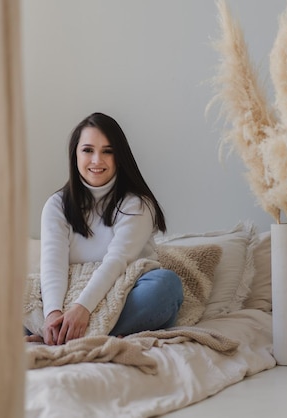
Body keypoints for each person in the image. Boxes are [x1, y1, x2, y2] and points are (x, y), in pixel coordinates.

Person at [34, 112, 183, 346]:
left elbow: (116, 262)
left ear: (119, 157)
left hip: (122, 295)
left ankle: (63, 335)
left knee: (165, 286)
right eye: (87, 150)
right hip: (68, 298)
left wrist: (82, 309)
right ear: (75, 154)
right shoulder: (56, 205)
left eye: (107, 151)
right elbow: (53, 265)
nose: (96, 160)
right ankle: (63, 330)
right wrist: (53, 313)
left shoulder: (137, 205)